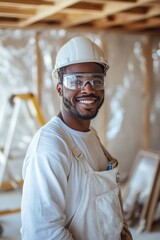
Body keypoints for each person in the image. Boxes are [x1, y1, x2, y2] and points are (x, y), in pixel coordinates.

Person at [21, 36, 132, 240]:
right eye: (76, 81)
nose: (88, 89)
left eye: (95, 80)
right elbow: (43, 233)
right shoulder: (50, 147)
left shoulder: (91, 136)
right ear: (60, 88)